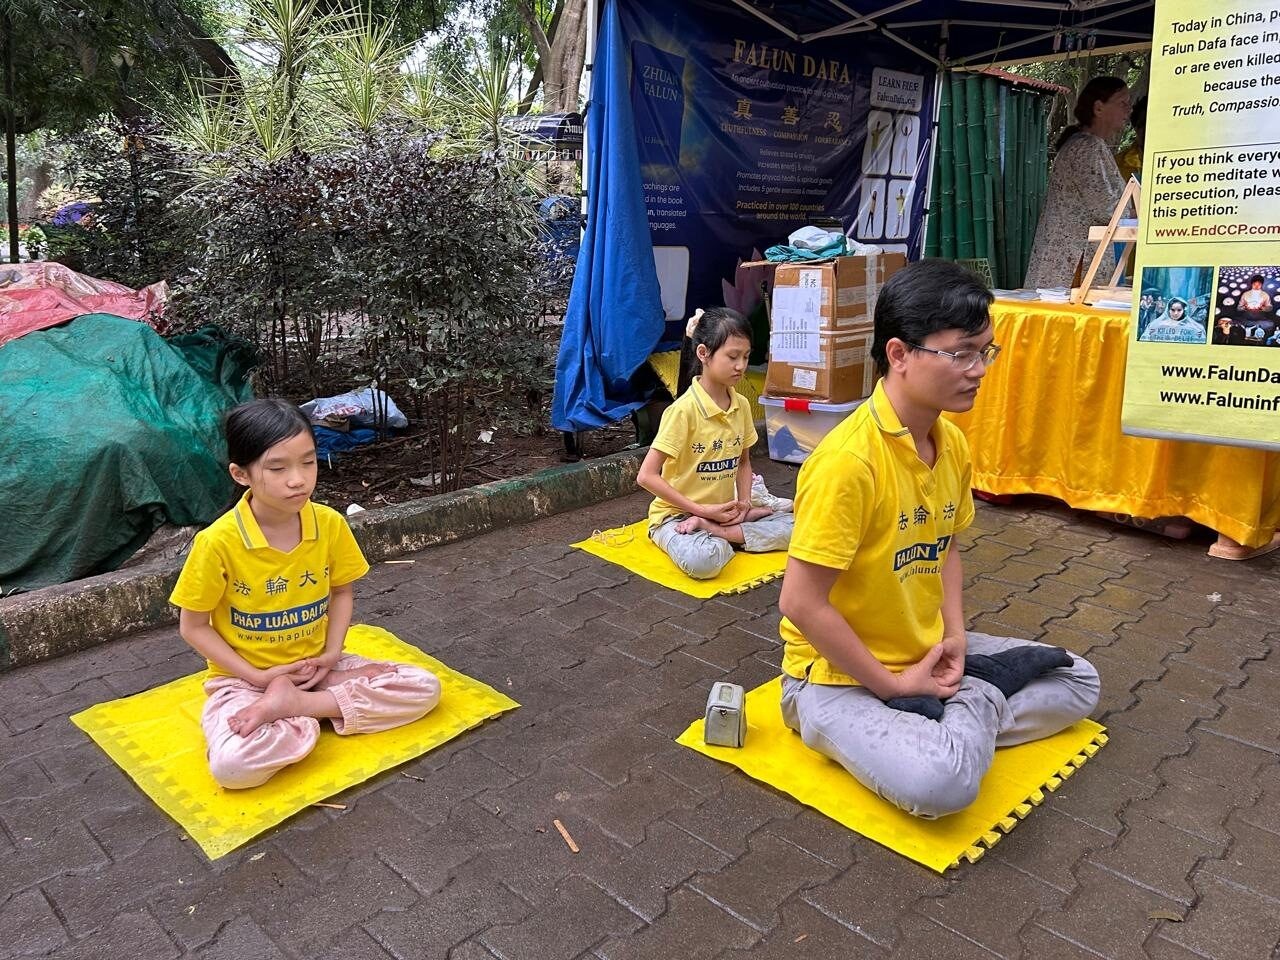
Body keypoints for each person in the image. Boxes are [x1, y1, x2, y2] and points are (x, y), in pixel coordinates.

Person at [776, 260, 1100, 818]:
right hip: (834, 678)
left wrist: (954, 637)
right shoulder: (848, 463)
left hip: (925, 650)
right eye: (962, 353)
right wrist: (895, 686)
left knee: (1080, 680)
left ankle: (948, 705)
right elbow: (800, 603)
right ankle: (959, 702)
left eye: (985, 352)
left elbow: (946, 546)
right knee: (941, 785)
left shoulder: (950, 442)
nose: (979, 370)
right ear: (899, 355)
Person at [170, 399, 441, 789]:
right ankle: (305, 709)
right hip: (243, 680)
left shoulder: (329, 524)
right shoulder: (217, 543)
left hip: (320, 669)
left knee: (424, 687)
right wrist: (258, 678)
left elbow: (342, 593)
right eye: (278, 468)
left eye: (308, 462)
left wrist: (331, 658)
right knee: (232, 766)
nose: (298, 479)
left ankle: (300, 709)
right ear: (241, 474)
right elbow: (193, 626)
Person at [637, 307, 793, 580]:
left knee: (802, 529)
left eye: (745, 357)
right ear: (703, 354)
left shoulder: (742, 404)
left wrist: (743, 503)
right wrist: (699, 511)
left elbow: (744, 462)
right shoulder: (683, 411)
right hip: (677, 517)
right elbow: (646, 476)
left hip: (727, 513)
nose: (741, 366)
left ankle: (719, 532)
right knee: (703, 562)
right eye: (732, 356)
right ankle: (732, 534)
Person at [1024, 78, 1131, 289]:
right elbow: (1107, 208)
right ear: (1099, 107)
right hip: (1073, 261)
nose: (1128, 109)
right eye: (1122, 103)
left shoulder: (1086, 145)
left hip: (1070, 258)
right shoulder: (1088, 148)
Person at [1139, 296, 1205, 343]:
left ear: (1184, 310)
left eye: (1179, 310)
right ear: (1168, 310)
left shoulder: (1196, 328)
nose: (1176, 313)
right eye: (1173, 310)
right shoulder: (1154, 325)